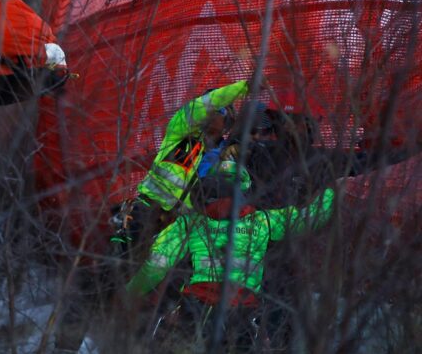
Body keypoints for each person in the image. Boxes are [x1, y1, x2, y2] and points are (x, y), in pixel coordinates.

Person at [125, 156, 335, 351]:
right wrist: (333, 191)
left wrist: (127, 295)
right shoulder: (263, 221)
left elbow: (156, 266)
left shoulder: (189, 223)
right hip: (242, 314)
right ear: (246, 190)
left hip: (195, 310)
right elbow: (311, 219)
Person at [112, 79, 250, 257]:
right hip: (148, 208)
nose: (208, 114)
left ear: (227, 122)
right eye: (207, 108)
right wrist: (245, 87)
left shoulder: (227, 154)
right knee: (119, 258)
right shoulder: (180, 130)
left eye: (218, 111)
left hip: (179, 224)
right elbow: (205, 104)